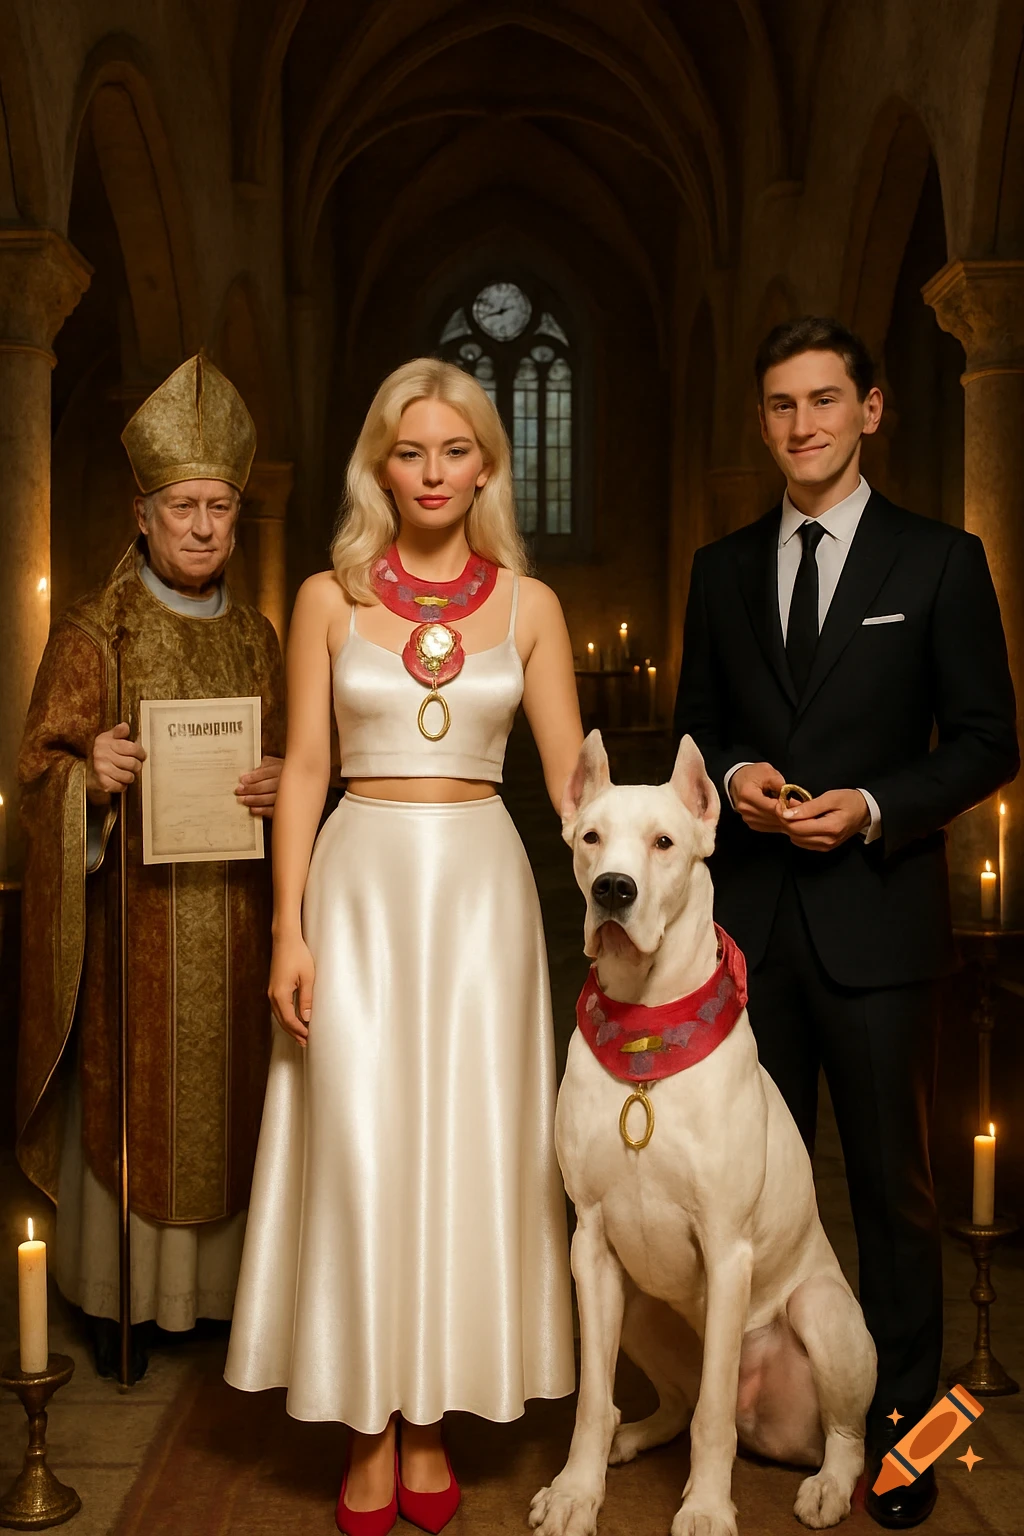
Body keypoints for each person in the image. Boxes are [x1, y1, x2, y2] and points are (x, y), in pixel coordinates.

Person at [673, 316, 1018, 1530]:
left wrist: (873, 805)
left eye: (824, 400)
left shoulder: (940, 561)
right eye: (781, 404)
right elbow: (695, 728)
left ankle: (909, 1440)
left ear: (870, 411)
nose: (802, 423)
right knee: (741, 1197)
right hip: (750, 938)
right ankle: (751, 1409)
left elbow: (987, 740)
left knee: (894, 1198)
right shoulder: (720, 570)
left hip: (880, 929)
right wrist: (737, 775)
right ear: (762, 420)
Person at [225, 358, 579, 1536]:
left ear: (486, 466)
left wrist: (653, 876)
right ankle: (368, 1418)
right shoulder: (328, 597)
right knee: (361, 1144)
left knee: (468, 1147)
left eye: (454, 451)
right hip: (359, 885)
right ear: (379, 466)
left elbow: (575, 789)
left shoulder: (530, 608)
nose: (432, 472)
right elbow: (306, 770)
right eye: (410, 451)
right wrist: (288, 928)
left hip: (482, 898)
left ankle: (432, 1416)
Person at [17, 355, 285, 1377]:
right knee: (137, 1105)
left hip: (239, 922)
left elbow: (297, 762)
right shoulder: (95, 632)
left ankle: (218, 1302)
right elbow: (37, 768)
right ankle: (123, 1301)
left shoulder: (259, 639)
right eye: (183, 507)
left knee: (235, 1104)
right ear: (143, 514)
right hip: (132, 933)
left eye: (220, 507)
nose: (204, 527)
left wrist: (283, 783)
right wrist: (86, 774)